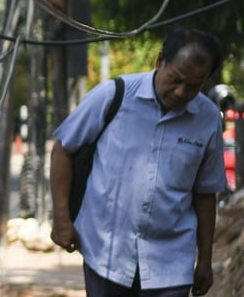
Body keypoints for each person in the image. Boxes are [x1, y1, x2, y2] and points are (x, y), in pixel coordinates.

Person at [49, 28, 226, 297]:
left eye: (193, 85)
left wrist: (204, 260)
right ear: (160, 61)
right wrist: (62, 219)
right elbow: (63, 149)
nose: (180, 91)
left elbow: (205, 192)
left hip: (171, 263)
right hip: (106, 253)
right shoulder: (113, 96)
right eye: (175, 79)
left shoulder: (209, 118)